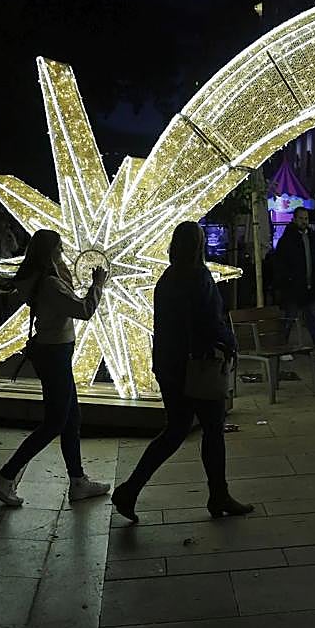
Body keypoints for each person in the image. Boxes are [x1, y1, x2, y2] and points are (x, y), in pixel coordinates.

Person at [112, 222, 252, 521]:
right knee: (212, 430)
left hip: (169, 364)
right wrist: (228, 345)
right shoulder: (199, 276)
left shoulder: (167, 278)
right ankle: (218, 495)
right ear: (199, 245)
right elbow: (210, 321)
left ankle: (131, 489)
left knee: (176, 430)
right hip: (198, 365)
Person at [0, 229, 110, 507]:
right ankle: (5, 477)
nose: (63, 252)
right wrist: (98, 283)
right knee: (55, 422)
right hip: (55, 353)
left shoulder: (39, 279)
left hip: (51, 351)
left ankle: (78, 481)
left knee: (71, 418)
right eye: (59, 249)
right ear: (51, 251)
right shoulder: (50, 284)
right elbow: (84, 309)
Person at [273, 207, 315, 362]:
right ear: (295, 219)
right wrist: (288, 280)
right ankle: (283, 348)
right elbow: (282, 262)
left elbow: (313, 259)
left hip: (307, 285)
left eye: (306, 219)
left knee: (310, 317)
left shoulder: (311, 236)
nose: (304, 222)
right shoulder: (288, 239)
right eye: (302, 219)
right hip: (294, 286)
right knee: (291, 317)